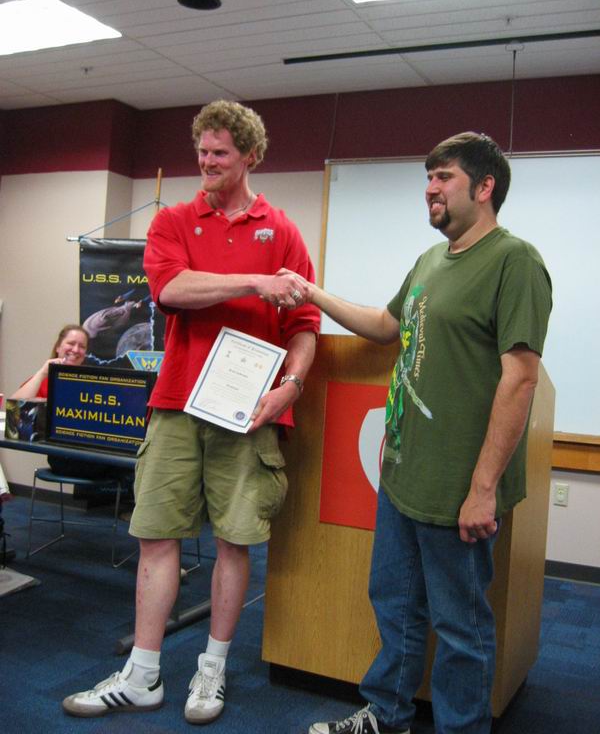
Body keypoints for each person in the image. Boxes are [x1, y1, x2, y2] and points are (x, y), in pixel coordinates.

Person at [62, 100, 320, 723]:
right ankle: (142, 674)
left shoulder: (282, 230)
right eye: (201, 151)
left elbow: (305, 325)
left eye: (220, 152)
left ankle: (212, 671)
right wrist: (255, 282)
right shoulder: (175, 220)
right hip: (178, 402)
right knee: (156, 534)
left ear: (250, 156)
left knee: (235, 541)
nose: (206, 162)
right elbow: (170, 289)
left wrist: (291, 386)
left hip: (248, 412)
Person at [291, 132, 552, 734]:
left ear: (485, 188)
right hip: (404, 474)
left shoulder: (515, 262)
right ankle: (388, 714)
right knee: (395, 603)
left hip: (458, 485)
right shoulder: (431, 261)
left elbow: (520, 378)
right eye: (428, 178)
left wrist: (483, 489)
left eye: (444, 177)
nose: (430, 189)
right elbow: (386, 325)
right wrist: (312, 293)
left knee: (460, 627)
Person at [12, 324, 112, 478]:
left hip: (93, 451)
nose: (76, 350)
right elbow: (14, 407)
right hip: (63, 456)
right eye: (71, 343)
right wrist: (42, 373)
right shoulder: (45, 380)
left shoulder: (92, 383)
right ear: (58, 347)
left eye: (82, 346)